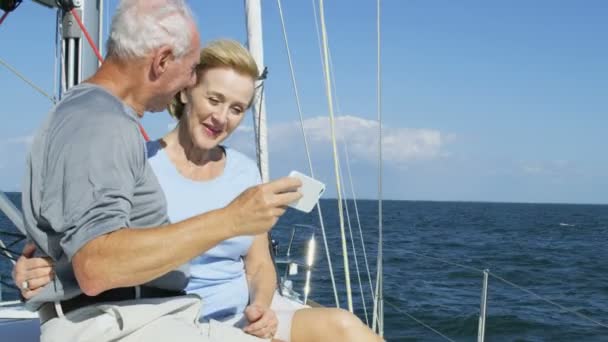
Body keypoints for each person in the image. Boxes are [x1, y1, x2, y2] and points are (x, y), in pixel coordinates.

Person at [15, 39, 382, 342]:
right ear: (187, 91)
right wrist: (44, 265)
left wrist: (263, 306)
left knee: (349, 331)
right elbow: (97, 247)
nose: (222, 117)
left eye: (237, 108)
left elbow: (258, 265)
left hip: (244, 321)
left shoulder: (244, 171)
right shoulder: (141, 164)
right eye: (215, 99)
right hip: (169, 323)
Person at [18, 0, 301, 341]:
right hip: (118, 323)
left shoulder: (91, 114)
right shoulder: (100, 123)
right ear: (162, 61)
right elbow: (96, 266)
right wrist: (231, 219)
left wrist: (53, 268)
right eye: (193, 68)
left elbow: (79, 235)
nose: (190, 79)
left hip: (139, 317)